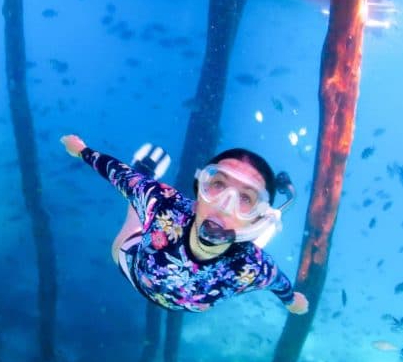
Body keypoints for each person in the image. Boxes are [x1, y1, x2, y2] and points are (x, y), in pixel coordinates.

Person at [60, 135, 309, 315]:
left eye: (246, 198)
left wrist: (290, 300)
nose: (224, 205)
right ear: (199, 189)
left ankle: (264, 224)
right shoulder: (164, 205)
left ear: (258, 215)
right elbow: (120, 175)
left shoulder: (254, 267)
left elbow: (279, 283)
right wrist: (82, 151)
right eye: (218, 184)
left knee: (252, 245)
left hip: (243, 243)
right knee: (136, 213)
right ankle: (144, 170)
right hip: (132, 265)